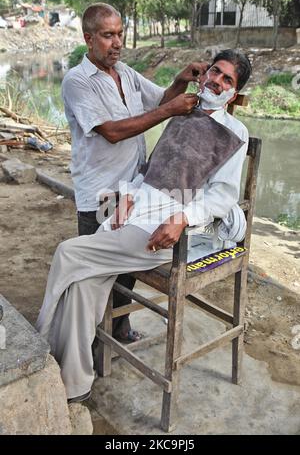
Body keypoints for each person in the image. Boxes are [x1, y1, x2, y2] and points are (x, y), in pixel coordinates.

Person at [36, 49, 252, 403]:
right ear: (204, 74)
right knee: (84, 285)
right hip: (138, 210)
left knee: (67, 253)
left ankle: (39, 341)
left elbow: (223, 197)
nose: (216, 80)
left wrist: (182, 218)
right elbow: (152, 171)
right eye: (215, 71)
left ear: (234, 92)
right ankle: (75, 382)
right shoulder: (183, 113)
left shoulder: (234, 132)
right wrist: (129, 196)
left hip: (165, 231)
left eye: (227, 79)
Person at [62, 2, 208, 343]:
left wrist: (180, 80)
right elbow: (112, 131)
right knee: (95, 270)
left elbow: (160, 100)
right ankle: (90, 342)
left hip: (133, 191)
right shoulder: (78, 81)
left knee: (127, 267)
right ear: (89, 38)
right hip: (100, 191)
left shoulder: (125, 73)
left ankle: (119, 327)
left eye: (120, 34)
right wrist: (172, 109)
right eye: (108, 35)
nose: (117, 43)